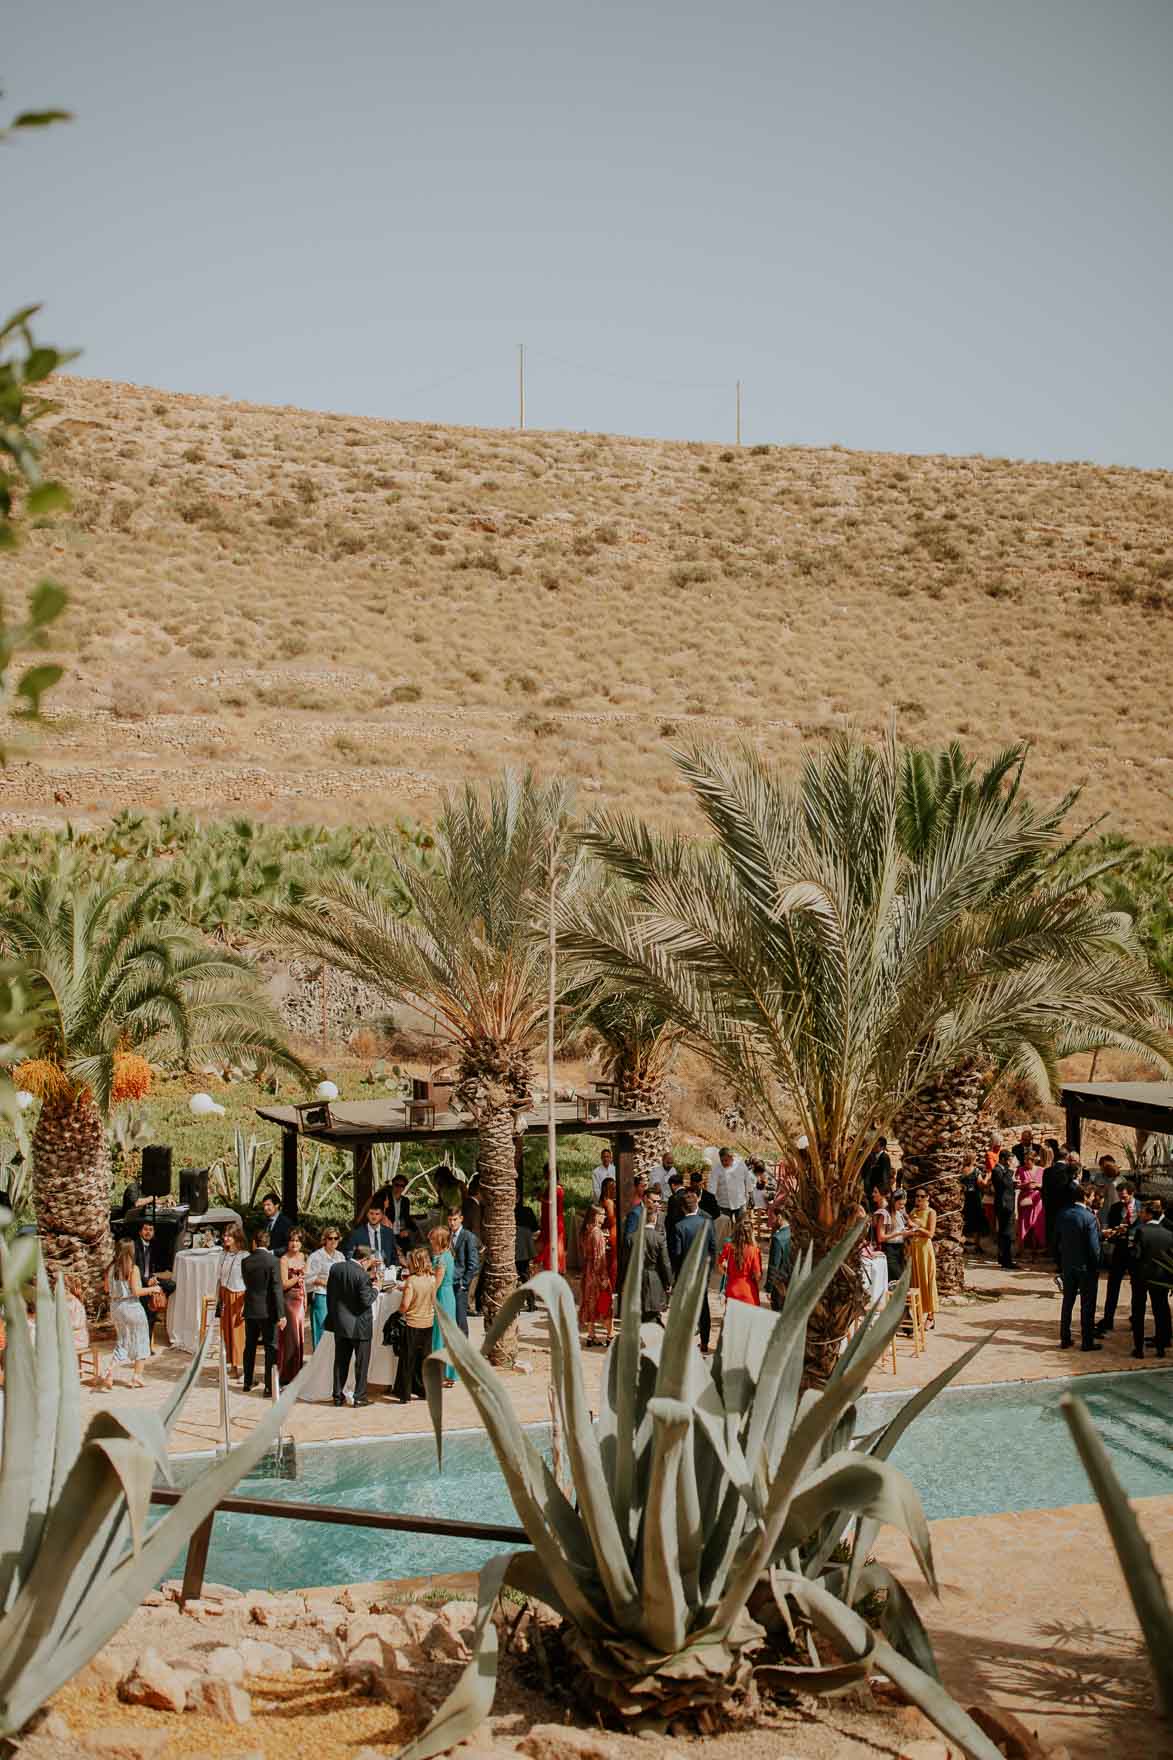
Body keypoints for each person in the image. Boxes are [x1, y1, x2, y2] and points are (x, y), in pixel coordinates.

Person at [325, 1244, 378, 1406]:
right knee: (361, 1364)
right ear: (364, 1260)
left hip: (340, 1322)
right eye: (370, 1262)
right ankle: (360, 1397)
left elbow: (331, 1294)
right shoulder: (362, 1275)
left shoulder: (336, 1268)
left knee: (340, 1362)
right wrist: (376, 1287)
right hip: (359, 1326)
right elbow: (366, 1300)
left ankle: (337, 1396)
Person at [102, 1239, 153, 1388]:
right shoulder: (133, 1268)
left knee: (123, 1341)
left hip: (116, 1307)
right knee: (142, 1340)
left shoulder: (111, 1268)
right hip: (132, 1307)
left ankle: (110, 1372)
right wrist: (153, 1289)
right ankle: (136, 1376)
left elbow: (106, 1289)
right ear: (131, 1251)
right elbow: (136, 1291)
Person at [242, 1226, 287, 1395]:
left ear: (254, 1242)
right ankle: (269, 1386)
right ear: (268, 1243)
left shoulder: (246, 1261)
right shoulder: (273, 1261)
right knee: (270, 1347)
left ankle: (247, 1381)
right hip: (268, 1311)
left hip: (251, 1308)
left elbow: (248, 1284)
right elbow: (277, 1289)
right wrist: (281, 1314)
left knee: (250, 1346)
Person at [670, 1188, 715, 1352]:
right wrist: (708, 1271)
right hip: (703, 1273)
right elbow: (713, 1248)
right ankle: (704, 1342)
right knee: (703, 1307)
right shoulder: (707, 1224)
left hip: (686, 1274)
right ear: (696, 1205)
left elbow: (677, 1254)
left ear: (682, 1208)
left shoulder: (679, 1227)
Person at [1057, 1190, 1102, 1352]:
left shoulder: (1063, 1214)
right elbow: (1093, 1247)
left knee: (1067, 1302)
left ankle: (1065, 1338)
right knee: (1087, 1305)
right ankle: (1087, 1341)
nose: (1093, 1198)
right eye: (1091, 1195)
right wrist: (1098, 1264)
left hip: (1068, 1265)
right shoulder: (1089, 1217)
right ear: (1085, 1197)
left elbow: (1058, 1240)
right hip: (1086, 1267)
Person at [1129, 1200, 1172, 1360]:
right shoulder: (1169, 1234)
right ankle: (1160, 1348)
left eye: (1143, 1212)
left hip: (1141, 1277)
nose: (1140, 1214)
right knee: (1160, 1311)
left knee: (1138, 1312)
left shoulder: (1141, 1230)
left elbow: (1135, 1255)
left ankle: (1138, 1349)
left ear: (1149, 1214)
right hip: (1161, 1278)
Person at [1095, 1180, 1139, 1336]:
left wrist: (1132, 1234)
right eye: (1120, 1196)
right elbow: (1111, 1231)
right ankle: (1108, 1319)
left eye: (1125, 1197)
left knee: (1137, 1288)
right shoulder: (1115, 1208)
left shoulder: (1141, 1207)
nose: (1122, 1199)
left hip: (1135, 1254)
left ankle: (1136, 1319)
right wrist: (1116, 1233)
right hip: (1119, 1251)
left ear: (1132, 1194)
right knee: (1113, 1286)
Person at [393, 1246, 437, 1401]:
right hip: (428, 1323)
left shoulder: (411, 1281)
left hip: (413, 1323)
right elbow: (433, 1300)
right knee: (424, 1359)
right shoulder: (432, 1279)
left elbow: (405, 1305)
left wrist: (397, 1314)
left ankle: (404, 1394)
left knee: (408, 1359)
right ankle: (423, 1390)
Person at [132, 1218, 175, 1350]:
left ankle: (156, 1303)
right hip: (138, 1282)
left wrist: (154, 1279)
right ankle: (146, 1344)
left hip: (151, 1281)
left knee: (171, 1285)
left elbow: (158, 1268)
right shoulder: (135, 1246)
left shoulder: (155, 1245)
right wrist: (147, 1281)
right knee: (149, 1309)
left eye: (151, 1230)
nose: (148, 1232)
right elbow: (134, 1270)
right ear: (140, 1232)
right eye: (145, 1229)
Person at [578, 1205, 614, 1346]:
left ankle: (591, 1335)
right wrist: (603, 1277)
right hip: (597, 1274)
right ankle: (610, 1335)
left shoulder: (585, 1231)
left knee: (590, 1303)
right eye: (602, 1214)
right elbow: (599, 1258)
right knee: (605, 1304)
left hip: (587, 1273)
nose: (604, 1217)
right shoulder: (597, 1233)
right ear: (595, 1216)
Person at [305, 1226, 344, 1350]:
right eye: (330, 1238)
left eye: (336, 1238)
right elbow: (307, 1278)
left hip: (337, 1298)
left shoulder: (340, 1256)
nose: (333, 1241)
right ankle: (318, 1363)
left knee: (335, 1332)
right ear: (324, 1239)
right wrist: (323, 1282)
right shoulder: (316, 1256)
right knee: (321, 1331)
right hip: (321, 1296)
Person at [217, 1221, 248, 1376]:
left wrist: (245, 1303)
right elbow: (219, 1277)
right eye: (225, 1235)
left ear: (237, 1237)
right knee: (226, 1330)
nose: (226, 1238)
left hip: (238, 1294)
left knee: (237, 1331)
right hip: (224, 1293)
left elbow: (249, 1281)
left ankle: (240, 1365)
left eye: (229, 1235)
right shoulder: (223, 1254)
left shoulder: (244, 1256)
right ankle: (231, 1364)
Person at [639, 1189, 674, 1322]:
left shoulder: (663, 1216)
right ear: (645, 1199)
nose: (657, 1204)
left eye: (659, 1201)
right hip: (651, 1272)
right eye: (654, 1201)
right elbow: (665, 1262)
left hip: (654, 1270)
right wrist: (669, 1281)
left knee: (650, 1310)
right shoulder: (636, 1214)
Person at [906, 1188, 939, 1326]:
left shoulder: (931, 1212)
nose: (919, 1199)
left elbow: (930, 1233)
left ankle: (930, 1316)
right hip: (914, 1249)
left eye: (922, 1196)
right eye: (917, 1196)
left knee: (927, 1280)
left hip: (925, 1250)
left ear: (928, 1197)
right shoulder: (913, 1212)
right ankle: (919, 1315)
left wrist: (916, 1228)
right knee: (916, 1281)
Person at [278, 1227, 307, 1382]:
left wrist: (306, 1299)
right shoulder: (284, 1259)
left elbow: (304, 1283)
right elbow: (283, 1284)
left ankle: (298, 1372)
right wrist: (298, 1277)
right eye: (292, 1240)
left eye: (297, 1240)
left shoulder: (304, 1256)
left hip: (301, 1299)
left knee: (300, 1337)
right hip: (289, 1300)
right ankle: (288, 1374)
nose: (294, 1243)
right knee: (291, 1338)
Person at [430, 1225, 457, 1386]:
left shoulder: (441, 1259)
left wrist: (429, 1299)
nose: (430, 1241)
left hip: (442, 1296)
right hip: (448, 1295)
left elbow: (436, 1283)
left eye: (433, 1238)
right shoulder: (445, 1255)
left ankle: (442, 1374)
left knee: (440, 1335)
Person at [447, 1205, 480, 1336]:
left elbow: (473, 1263)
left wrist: (464, 1283)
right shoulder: (447, 1235)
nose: (452, 1223)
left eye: (454, 1219)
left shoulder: (468, 1237)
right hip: (448, 1282)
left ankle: (464, 1352)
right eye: (449, 1220)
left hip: (460, 1284)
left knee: (461, 1320)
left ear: (461, 1219)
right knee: (451, 1319)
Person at [718, 1213, 762, 1306]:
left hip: (732, 1288)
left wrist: (729, 1271)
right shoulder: (754, 1250)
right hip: (749, 1291)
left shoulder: (728, 1247)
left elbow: (720, 1265)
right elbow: (757, 1275)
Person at [991, 1150, 1019, 1269]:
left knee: (1005, 1232)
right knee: (1006, 1233)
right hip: (1004, 1205)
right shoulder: (997, 1170)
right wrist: (1011, 1170)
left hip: (1007, 1204)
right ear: (1003, 1159)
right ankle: (1006, 1260)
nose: (1009, 1163)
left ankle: (1003, 1258)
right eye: (1008, 1160)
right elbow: (1004, 1184)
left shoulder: (1003, 1170)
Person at [1016, 1150, 1046, 1254]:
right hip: (1025, 1199)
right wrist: (1025, 1185)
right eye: (1025, 1161)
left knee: (1037, 1223)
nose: (1026, 1163)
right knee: (1024, 1222)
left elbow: (1045, 1185)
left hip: (1037, 1199)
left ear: (1033, 1161)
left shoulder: (1042, 1170)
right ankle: (1022, 1248)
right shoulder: (1020, 1170)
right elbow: (1017, 1185)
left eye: (1028, 1161)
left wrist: (1037, 1185)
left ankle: (1036, 1248)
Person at [713, 1147, 752, 1220]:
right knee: (725, 1226)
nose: (724, 1163)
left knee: (740, 1225)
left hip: (740, 1202)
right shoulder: (717, 1168)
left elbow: (747, 1180)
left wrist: (751, 1195)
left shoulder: (740, 1165)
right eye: (722, 1161)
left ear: (731, 1158)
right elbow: (712, 1185)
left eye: (726, 1160)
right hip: (724, 1203)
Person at [384, 1175, 415, 1261]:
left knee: (408, 1254)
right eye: (397, 1185)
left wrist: (408, 1230)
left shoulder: (405, 1201)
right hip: (388, 1233)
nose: (399, 1188)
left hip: (400, 1234)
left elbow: (407, 1219)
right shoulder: (386, 1199)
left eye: (402, 1186)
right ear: (392, 1185)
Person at [766, 1207, 791, 1310]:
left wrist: (769, 1288)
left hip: (779, 1285)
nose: (771, 1221)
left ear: (779, 1217)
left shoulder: (777, 1238)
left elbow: (774, 1265)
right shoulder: (793, 1233)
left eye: (772, 1218)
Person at [599, 1175, 619, 1287]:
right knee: (613, 1259)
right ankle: (613, 1283)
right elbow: (611, 1219)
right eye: (612, 1187)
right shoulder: (609, 1202)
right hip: (613, 1231)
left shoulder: (604, 1200)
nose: (614, 1190)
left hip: (609, 1231)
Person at [260, 1192, 292, 1259]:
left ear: (277, 1205)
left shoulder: (285, 1222)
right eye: (264, 1205)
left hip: (279, 1261)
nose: (265, 1208)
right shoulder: (265, 1222)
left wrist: (273, 1252)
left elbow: (288, 1245)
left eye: (268, 1205)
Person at [514, 1195, 538, 1282]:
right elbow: (535, 1228)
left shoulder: (504, 1213)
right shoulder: (527, 1211)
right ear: (519, 1198)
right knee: (524, 1270)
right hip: (525, 1249)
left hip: (510, 1250)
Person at [862, 1138, 893, 1202]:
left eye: (876, 1145)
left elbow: (885, 1175)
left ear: (882, 1147)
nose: (873, 1147)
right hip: (870, 1190)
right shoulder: (871, 1156)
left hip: (878, 1191)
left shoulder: (884, 1158)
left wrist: (883, 1191)